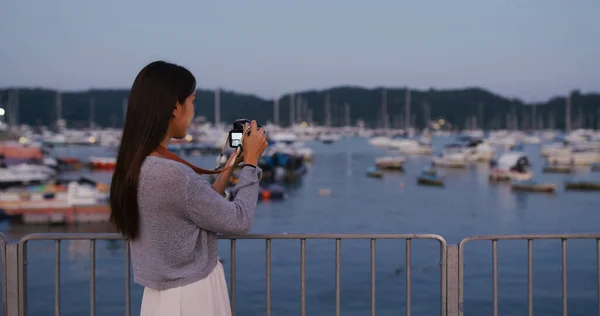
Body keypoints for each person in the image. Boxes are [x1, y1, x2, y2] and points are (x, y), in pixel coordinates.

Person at [109, 61, 268, 316]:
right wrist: (251, 163)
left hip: (159, 298)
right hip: (193, 297)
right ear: (174, 106)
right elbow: (239, 220)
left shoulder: (137, 163)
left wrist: (230, 164)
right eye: (192, 101)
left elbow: (199, 207)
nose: (193, 112)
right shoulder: (173, 175)